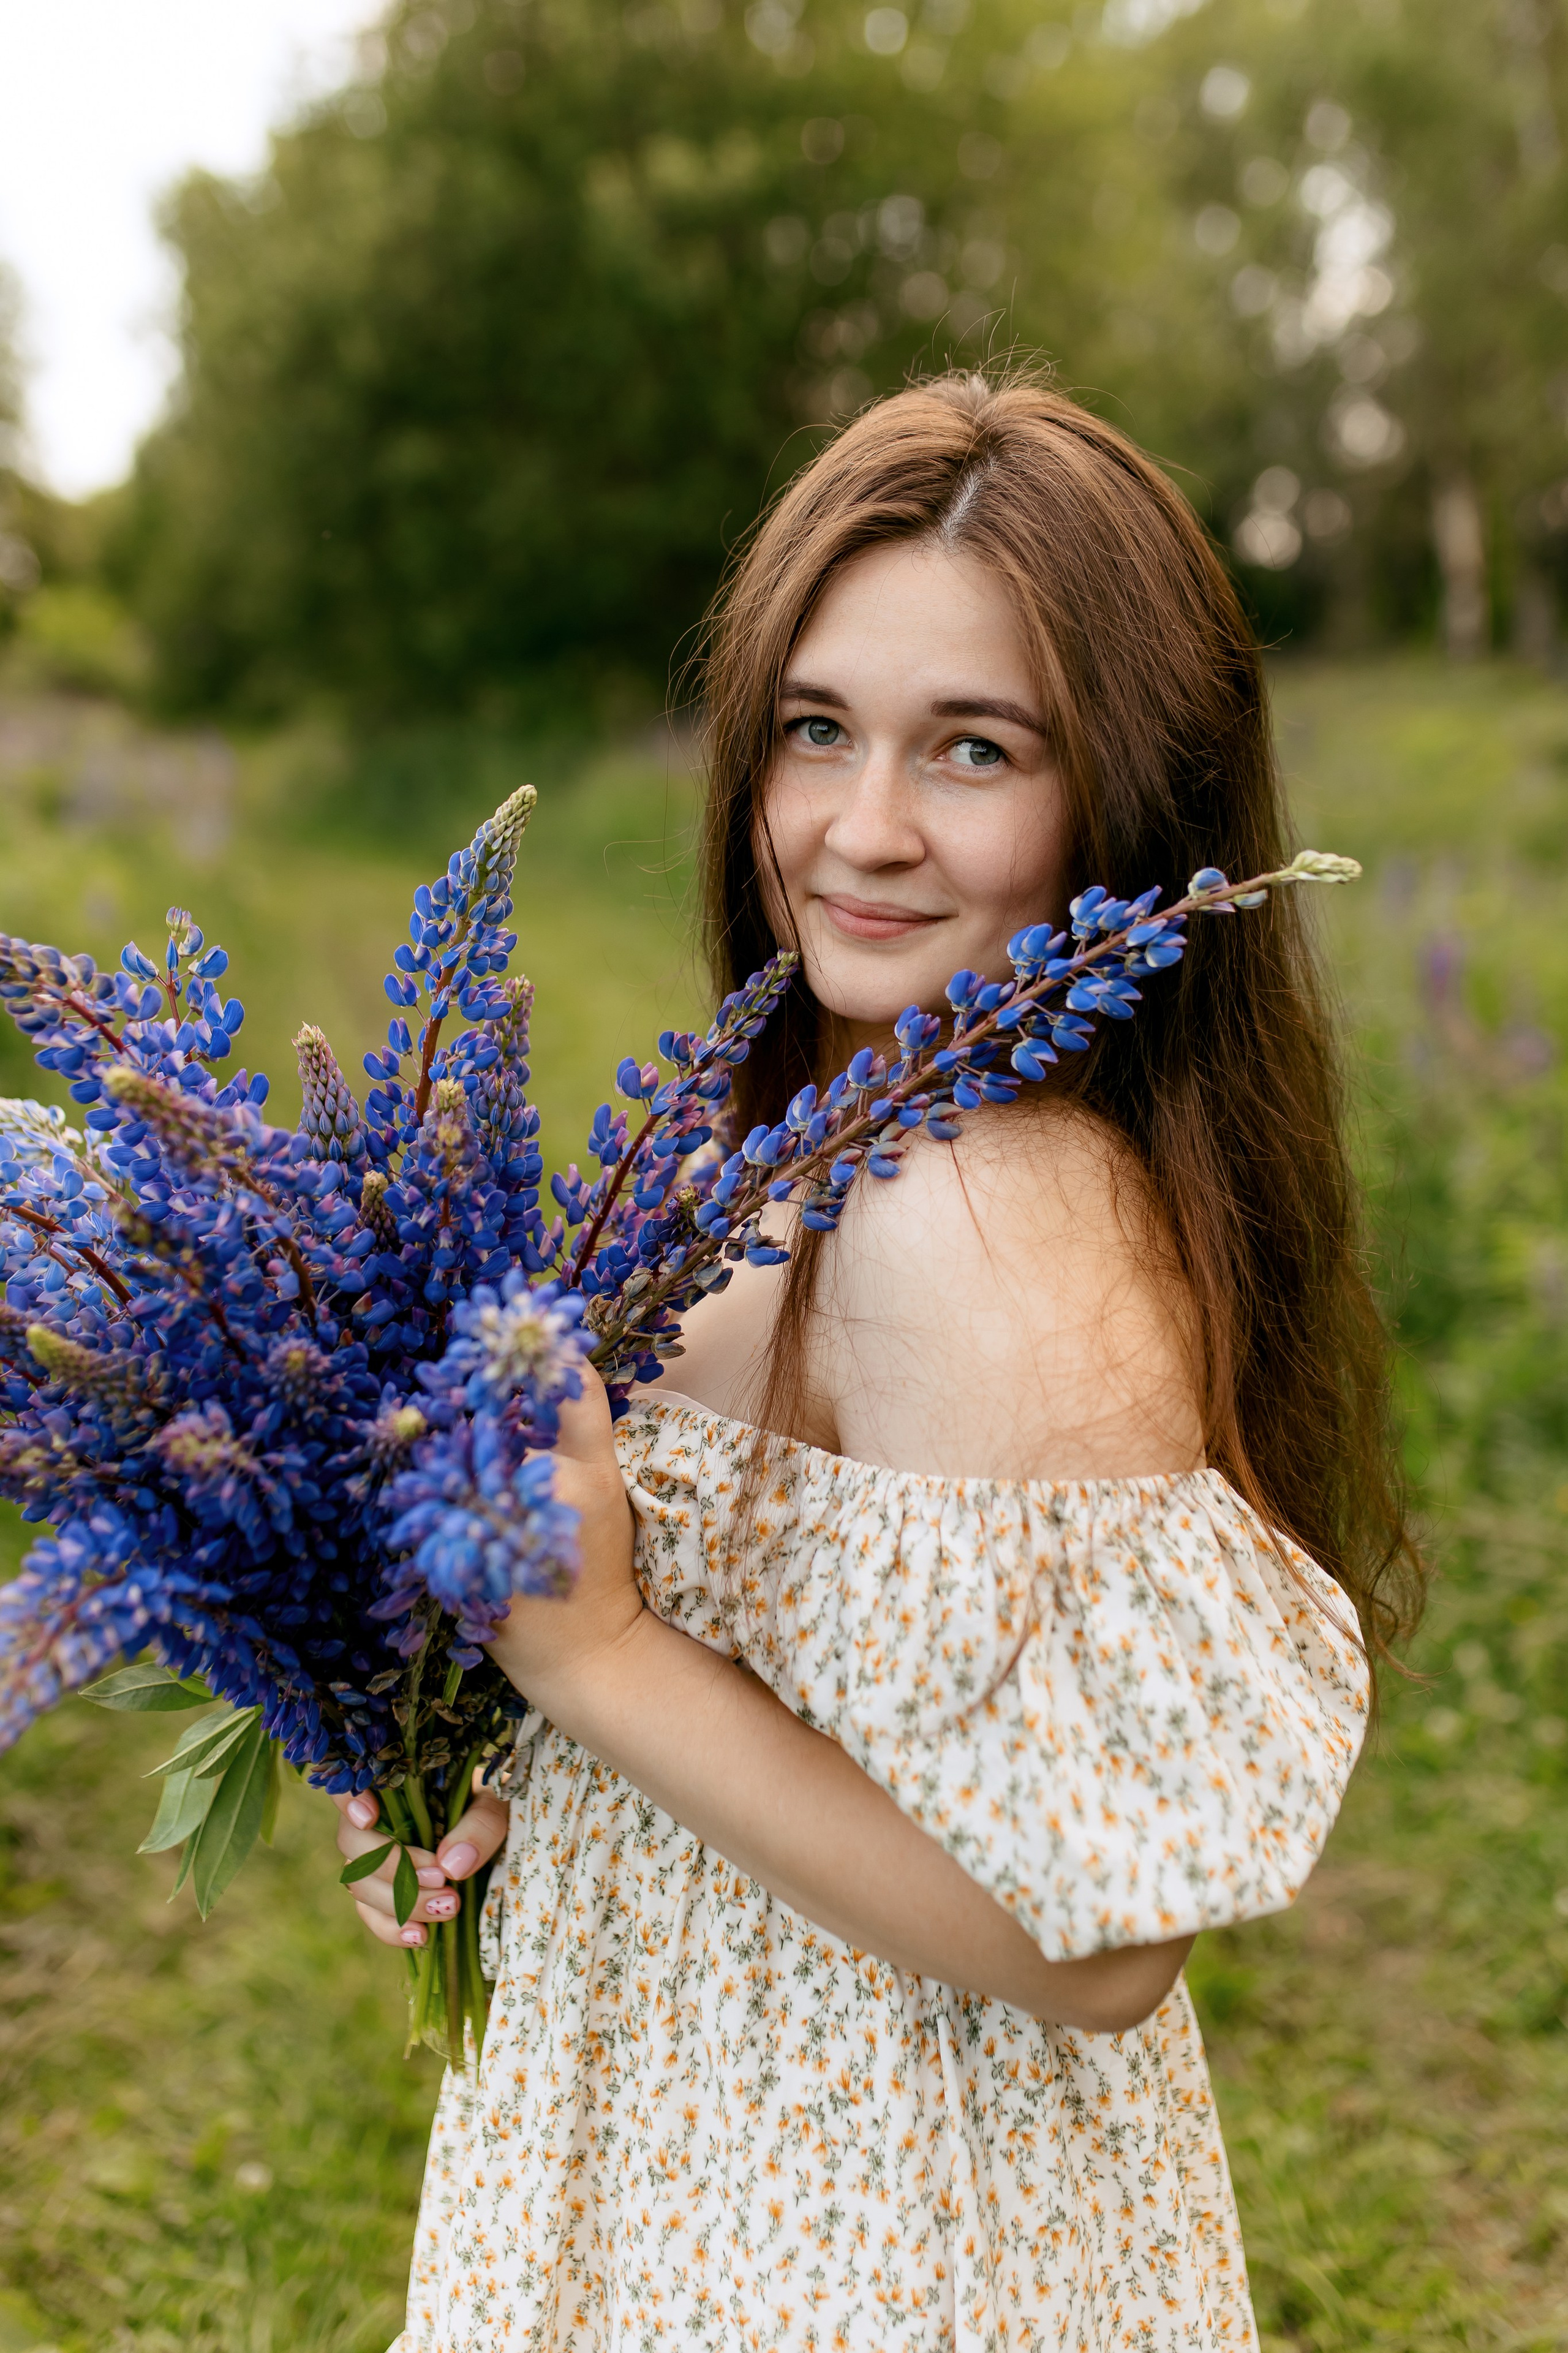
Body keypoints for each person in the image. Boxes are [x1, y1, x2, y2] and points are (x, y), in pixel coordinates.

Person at [334, 370, 1420, 2351]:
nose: (863, 826)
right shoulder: (784, 1139)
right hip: (678, 2151)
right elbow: (773, 1673)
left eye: (975, 748)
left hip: (867, 2235)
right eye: (816, 727)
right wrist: (480, 1765)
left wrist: (594, 1656)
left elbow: (1093, 1942)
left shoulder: (985, 1222)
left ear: (1129, 798)